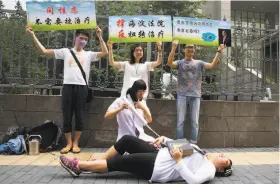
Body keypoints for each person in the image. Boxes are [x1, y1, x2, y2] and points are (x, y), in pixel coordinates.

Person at [25, 26, 108, 154]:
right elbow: (44, 51)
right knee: (67, 116)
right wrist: (32, 35)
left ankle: (76, 143)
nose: (83, 41)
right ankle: (69, 143)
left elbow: (105, 52)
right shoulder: (66, 52)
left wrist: (100, 36)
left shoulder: (89, 54)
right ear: (75, 38)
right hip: (68, 87)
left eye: (85, 39)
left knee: (80, 116)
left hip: (82, 87)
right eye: (81, 38)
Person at [59, 135, 233, 184]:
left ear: (220, 169)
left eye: (225, 161)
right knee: (127, 140)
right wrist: (165, 140)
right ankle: (99, 160)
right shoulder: (201, 153)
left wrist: (179, 161)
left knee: (121, 162)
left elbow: (194, 181)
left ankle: (80, 166)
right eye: (224, 156)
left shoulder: (209, 169)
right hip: (161, 155)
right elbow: (180, 147)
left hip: (158, 167)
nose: (223, 157)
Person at [167, 40, 225, 144]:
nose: (190, 49)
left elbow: (212, 65)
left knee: (195, 122)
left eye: (192, 47)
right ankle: (180, 144)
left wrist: (218, 51)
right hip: (182, 95)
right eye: (188, 47)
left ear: (194, 50)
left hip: (195, 95)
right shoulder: (180, 63)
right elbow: (170, 63)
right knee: (180, 121)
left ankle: (193, 144)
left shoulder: (199, 63)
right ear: (184, 49)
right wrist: (173, 48)